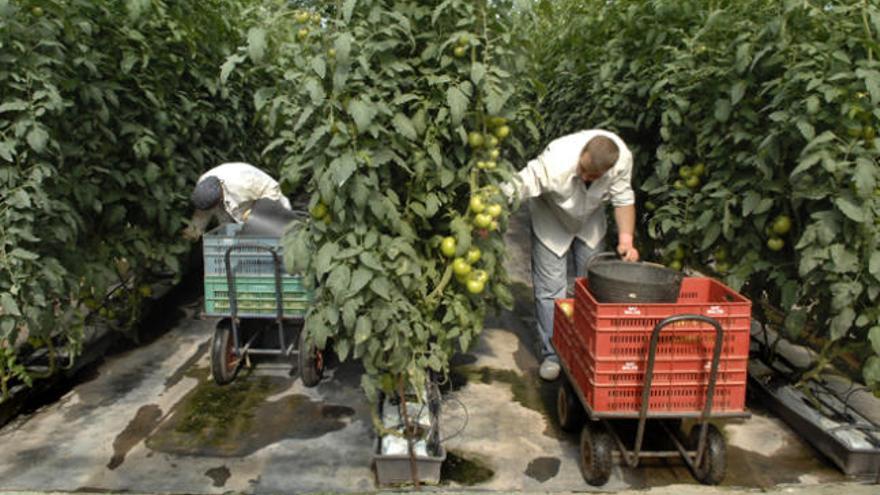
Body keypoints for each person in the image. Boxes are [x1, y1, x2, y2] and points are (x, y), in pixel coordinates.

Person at [504, 130, 640, 380]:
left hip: (590, 221)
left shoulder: (620, 160)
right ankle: (552, 354)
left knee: (590, 285)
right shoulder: (556, 160)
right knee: (550, 290)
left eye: (593, 176)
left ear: (607, 171)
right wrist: (491, 208)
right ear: (581, 154)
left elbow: (623, 199)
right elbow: (518, 184)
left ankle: (586, 348)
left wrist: (626, 240)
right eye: (583, 169)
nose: (585, 177)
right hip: (551, 218)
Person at [183, 162, 291, 240]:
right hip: (237, 211)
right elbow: (202, 211)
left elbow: (272, 189)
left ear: (220, 196)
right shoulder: (204, 185)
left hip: (265, 205)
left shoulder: (242, 182)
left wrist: (259, 211)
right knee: (233, 237)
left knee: (275, 238)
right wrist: (194, 229)